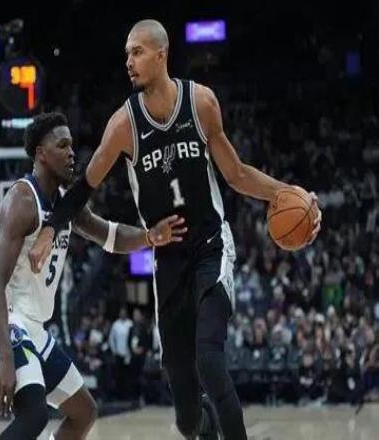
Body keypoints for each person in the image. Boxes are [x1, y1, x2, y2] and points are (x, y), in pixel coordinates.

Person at [29, 20, 323, 439]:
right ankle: (204, 427)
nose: (129, 62)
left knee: (210, 360)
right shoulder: (124, 125)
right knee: (186, 417)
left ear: (161, 54)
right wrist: (49, 227)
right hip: (166, 261)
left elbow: (237, 174)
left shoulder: (200, 103)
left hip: (209, 247)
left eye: (137, 52)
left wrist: (289, 193)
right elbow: (83, 188)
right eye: (127, 54)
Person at [0, 111, 186, 440]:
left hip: (33, 326)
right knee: (34, 416)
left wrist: (149, 237)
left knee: (84, 412)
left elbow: (110, 236)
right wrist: (5, 357)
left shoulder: (66, 205)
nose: (72, 153)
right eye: (62, 146)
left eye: (72, 145)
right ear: (41, 154)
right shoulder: (22, 201)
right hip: (3, 320)